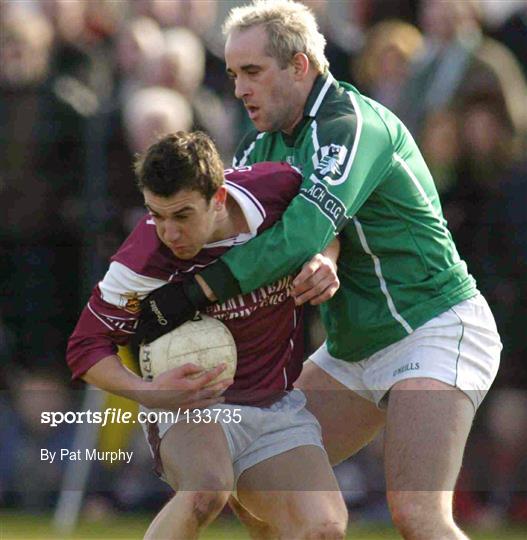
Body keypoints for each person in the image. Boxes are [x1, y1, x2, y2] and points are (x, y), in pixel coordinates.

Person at [137, 2, 502, 539]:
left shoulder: (350, 125)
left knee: (419, 516)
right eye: (234, 74)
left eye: (253, 72)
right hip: (354, 348)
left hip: (432, 328)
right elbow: (270, 238)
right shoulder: (261, 144)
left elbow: (304, 230)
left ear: (300, 66)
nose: (239, 89)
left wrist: (198, 292)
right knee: (255, 474)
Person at [66, 131, 347, 539]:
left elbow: (327, 230)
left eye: (182, 215)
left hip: (273, 402)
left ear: (218, 197)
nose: (168, 232)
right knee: (206, 490)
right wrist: (148, 393)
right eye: (155, 214)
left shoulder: (279, 189)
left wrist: (327, 260)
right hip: (187, 406)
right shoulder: (143, 257)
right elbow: (85, 347)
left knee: (324, 530)